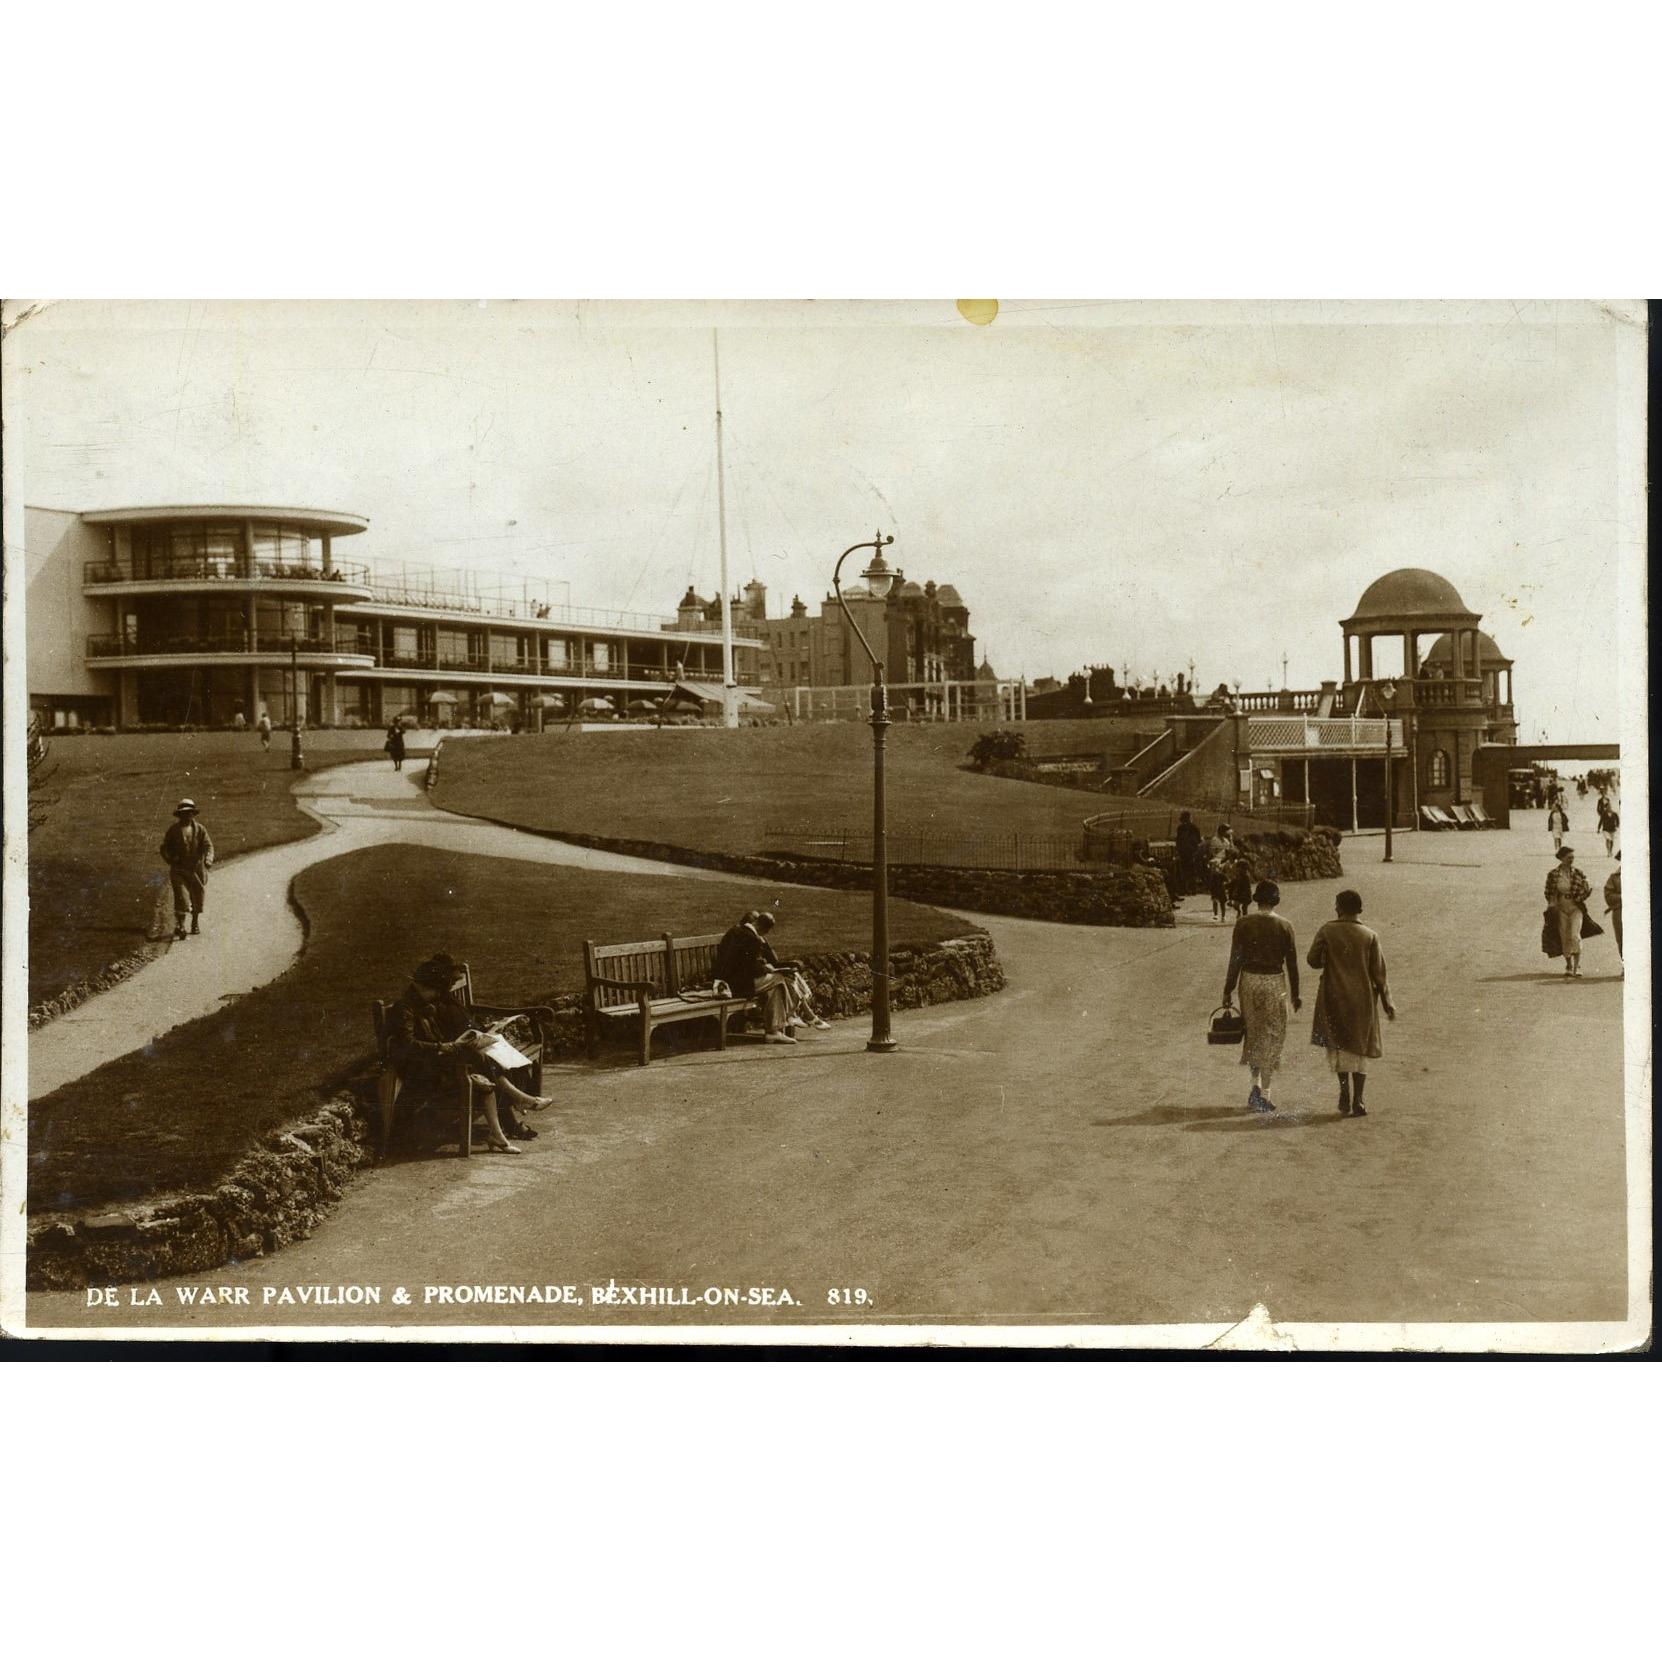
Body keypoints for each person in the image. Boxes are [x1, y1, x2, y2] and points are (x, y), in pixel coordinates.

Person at [388, 958, 528, 1153]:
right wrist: (443, 1046)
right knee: (480, 1064)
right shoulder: (404, 1008)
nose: (437, 995)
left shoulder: (422, 1004)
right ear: (424, 987)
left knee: (481, 1061)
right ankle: (511, 1112)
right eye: (435, 991)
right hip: (421, 1070)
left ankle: (501, 1130)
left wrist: (454, 1043)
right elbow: (407, 1045)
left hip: (433, 1061)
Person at [422, 953, 554, 1139]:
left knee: (504, 1058)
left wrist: (486, 1029)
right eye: (451, 980)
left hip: (473, 1044)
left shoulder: (448, 998)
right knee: (492, 1064)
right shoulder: (435, 1004)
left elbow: (465, 1021)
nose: (453, 984)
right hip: (458, 1053)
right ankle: (518, 1107)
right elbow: (444, 1034)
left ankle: (518, 1106)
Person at [1307, 889, 1396, 1117]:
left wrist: (1329, 956)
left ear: (1338, 907)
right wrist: (1387, 1003)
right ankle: (1359, 1099)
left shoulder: (1327, 930)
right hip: (1362, 1000)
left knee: (1339, 1044)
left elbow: (1312, 960)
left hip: (1333, 995)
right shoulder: (1370, 935)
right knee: (1359, 1048)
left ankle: (1344, 1093)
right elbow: (1379, 975)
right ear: (1359, 910)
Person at [1221, 879, 1301, 1113]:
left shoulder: (1244, 923)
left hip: (1249, 981)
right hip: (1275, 982)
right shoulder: (1285, 926)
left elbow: (1235, 959)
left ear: (1257, 900)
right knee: (1273, 1034)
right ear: (1275, 900)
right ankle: (1266, 1092)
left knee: (1253, 1032)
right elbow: (1292, 963)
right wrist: (1296, 994)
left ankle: (1254, 1085)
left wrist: (1228, 989)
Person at [712, 910, 825, 1043]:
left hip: (732, 982)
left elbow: (744, 963)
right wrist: (764, 968)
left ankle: (774, 1031)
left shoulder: (740, 933)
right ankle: (789, 1016)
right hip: (737, 986)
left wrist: (764, 963)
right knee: (780, 979)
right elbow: (748, 968)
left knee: (776, 988)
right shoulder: (750, 938)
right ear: (762, 927)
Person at [159, 798, 214, 940]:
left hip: (196, 869)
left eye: (189, 813)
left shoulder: (200, 829)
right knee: (181, 897)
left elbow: (209, 846)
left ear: (193, 814)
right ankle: (181, 925)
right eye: (183, 813)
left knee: (197, 896)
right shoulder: (173, 830)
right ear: (179, 815)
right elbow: (164, 848)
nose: (186, 816)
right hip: (179, 869)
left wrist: (208, 859)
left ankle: (195, 923)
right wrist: (171, 859)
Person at [1544, 846, 1592, 979]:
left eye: (1573, 857)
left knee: (1575, 935)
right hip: (1561, 909)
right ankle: (1569, 966)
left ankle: (1577, 966)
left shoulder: (1578, 873)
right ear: (1561, 858)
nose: (1571, 860)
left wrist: (1586, 889)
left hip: (1575, 908)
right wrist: (1552, 904)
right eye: (1569, 857)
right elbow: (1548, 892)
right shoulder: (1553, 874)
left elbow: (1587, 889)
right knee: (1564, 936)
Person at [1174, 811, 1203, 896]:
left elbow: (1178, 841)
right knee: (1191, 871)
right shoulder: (1194, 828)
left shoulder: (1181, 828)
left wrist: (1178, 850)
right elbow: (1198, 840)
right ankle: (1191, 889)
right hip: (1190, 852)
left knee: (1185, 871)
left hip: (1185, 852)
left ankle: (1186, 889)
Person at [1604, 854, 1622, 962]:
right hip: (1619, 910)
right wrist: (1623, 897)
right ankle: (1626, 965)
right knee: (1622, 939)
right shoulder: (1614, 877)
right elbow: (1608, 895)